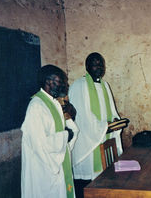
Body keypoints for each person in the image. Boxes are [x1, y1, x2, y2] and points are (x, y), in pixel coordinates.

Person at [68, 52, 128, 197]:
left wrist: (115, 121)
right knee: (88, 182)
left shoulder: (105, 85)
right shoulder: (79, 86)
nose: (99, 67)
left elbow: (111, 110)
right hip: (88, 141)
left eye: (101, 64)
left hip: (104, 136)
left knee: (105, 178)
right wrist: (103, 126)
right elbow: (82, 116)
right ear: (87, 66)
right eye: (95, 64)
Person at [21, 65, 78, 198]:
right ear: (48, 81)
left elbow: (67, 127)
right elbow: (40, 144)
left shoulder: (53, 102)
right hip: (44, 169)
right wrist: (66, 135)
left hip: (56, 163)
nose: (64, 85)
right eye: (61, 81)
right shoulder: (36, 106)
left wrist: (69, 129)